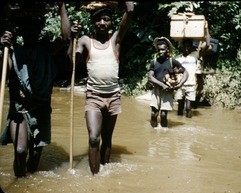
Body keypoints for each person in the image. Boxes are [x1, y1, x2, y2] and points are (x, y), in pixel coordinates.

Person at [0, 2, 70, 177]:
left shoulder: (45, 50)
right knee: (21, 151)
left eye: (34, 30)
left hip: (41, 108)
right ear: (21, 33)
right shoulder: (14, 52)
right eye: (27, 30)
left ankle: (29, 180)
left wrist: (61, 6)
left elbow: (66, 37)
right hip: (20, 109)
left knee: (35, 155)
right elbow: (5, 71)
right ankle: (21, 182)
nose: (31, 33)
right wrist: (3, 45)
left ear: (39, 32)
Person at [69, 2, 134, 175]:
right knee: (93, 138)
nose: (103, 23)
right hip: (94, 97)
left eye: (106, 19)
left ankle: (104, 172)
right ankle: (95, 178)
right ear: (93, 22)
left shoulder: (115, 40)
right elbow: (72, 60)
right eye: (98, 20)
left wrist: (129, 8)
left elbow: (128, 17)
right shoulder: (85, 40)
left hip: (114, 96)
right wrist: (71, 38)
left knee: (106, 139)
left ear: (111, 22)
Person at [148, 37, 188, 128]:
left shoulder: (172, 61)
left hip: (167, 91)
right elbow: (150, 77)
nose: (160, 52)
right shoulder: (154, 62)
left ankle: (164, 133)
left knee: (163, 115)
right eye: (159, 50)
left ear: (167, 49)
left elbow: (186, 72)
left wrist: (179, 84)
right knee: (154, 113)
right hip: (156, 90)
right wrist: (162, 85)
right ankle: (153, 132)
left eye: (162, 49)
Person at [174, 38, 200, 118]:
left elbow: (207, 46)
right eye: (185, 46)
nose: (186, 48)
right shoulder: (177, 58)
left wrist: (206, 30)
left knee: (188, 108)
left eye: (188, 46)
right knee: (180, 107)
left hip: (191, 85)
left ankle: (188, 125)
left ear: (191, 47)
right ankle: (179, 124)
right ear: (182, 47)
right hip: (180, 85)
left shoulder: (194, 55)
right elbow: (174, 70)